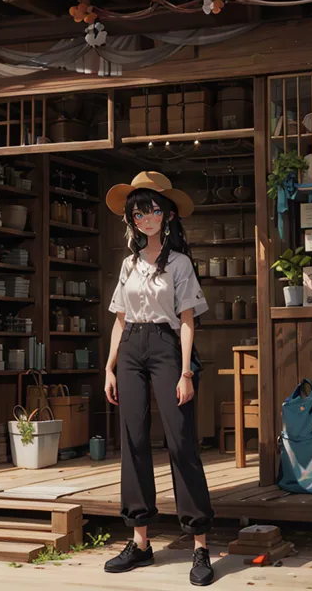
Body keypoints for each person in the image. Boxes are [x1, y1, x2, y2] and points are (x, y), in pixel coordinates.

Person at [102, 171, 216, 586]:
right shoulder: (128, 263)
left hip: (168, 347)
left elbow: (188, 322)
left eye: (151, 210)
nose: (145, 218)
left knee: (181, 439)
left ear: (167, 214)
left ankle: (200, 545)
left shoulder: (181, 263)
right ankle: (141, 542)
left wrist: (186, 372)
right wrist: (110, 366)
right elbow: (119, 320)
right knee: (132, 440)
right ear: (131, 221)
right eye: (138, 213)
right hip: (131, 347)